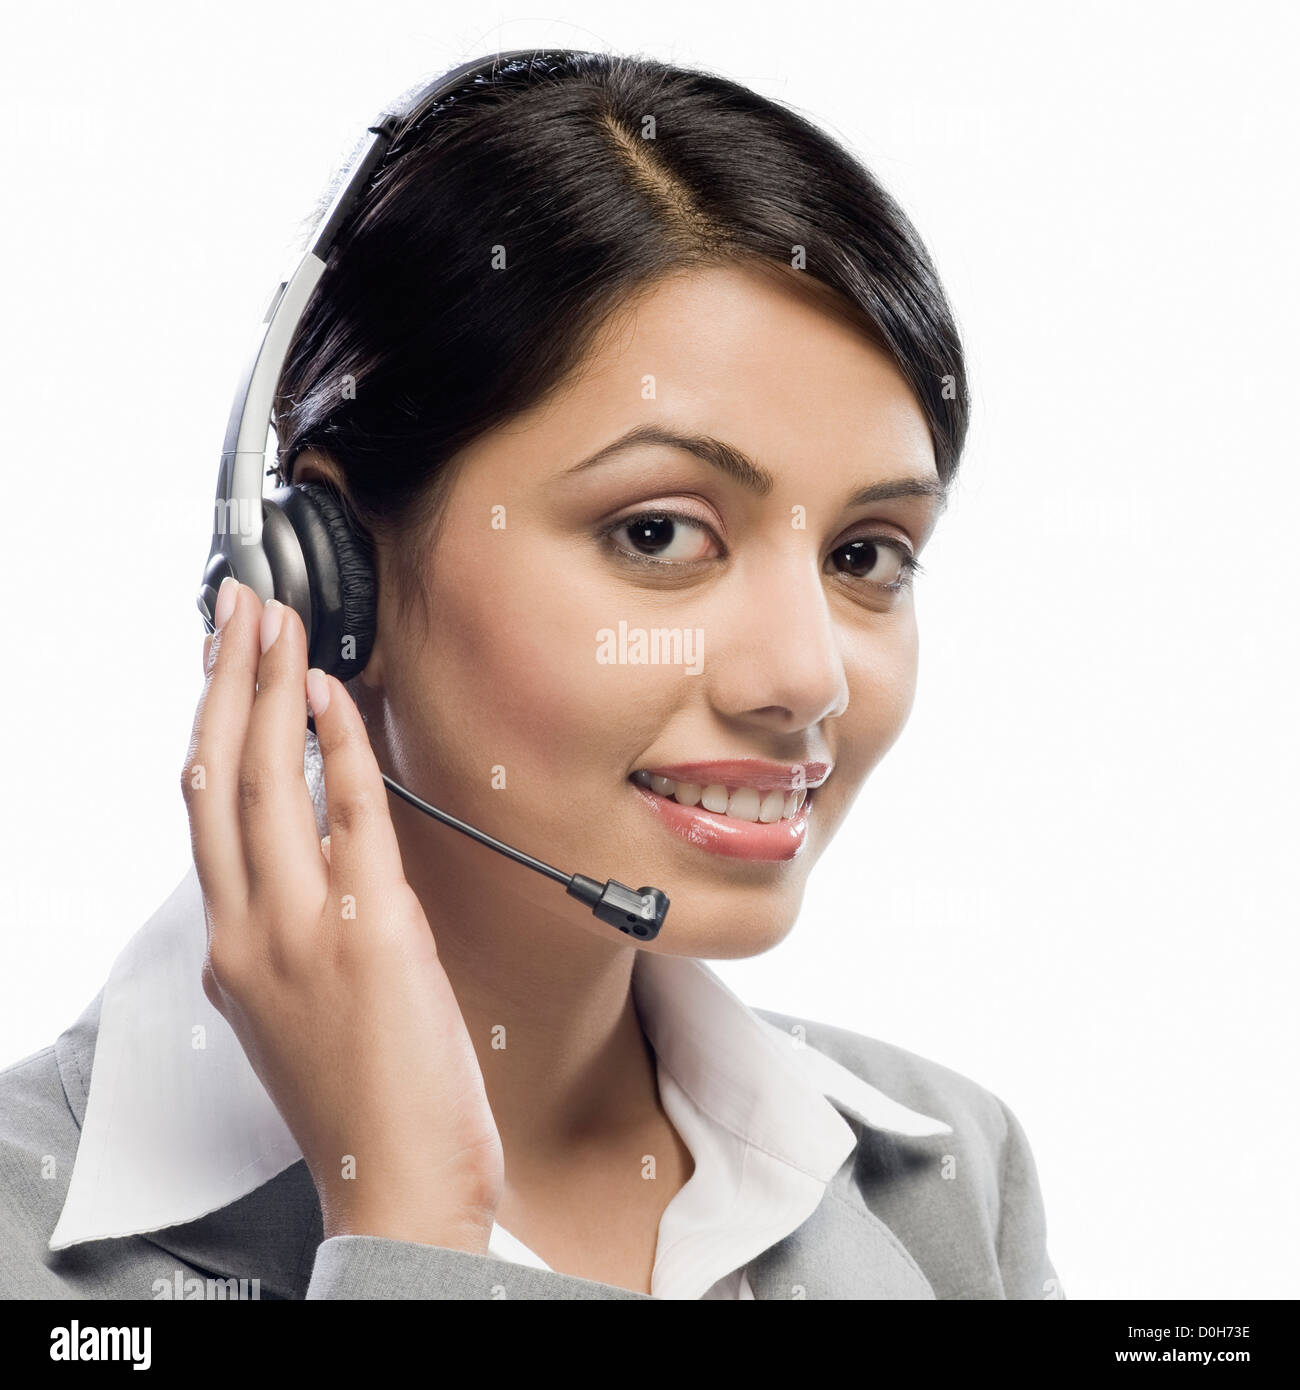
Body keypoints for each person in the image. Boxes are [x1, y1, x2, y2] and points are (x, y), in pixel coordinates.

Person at [0, 48, 1059, 1300]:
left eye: (863, 554)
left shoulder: (948, 1185)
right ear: (326, 581)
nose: (806, 676)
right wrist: (405, 1218)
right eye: (657, 532)